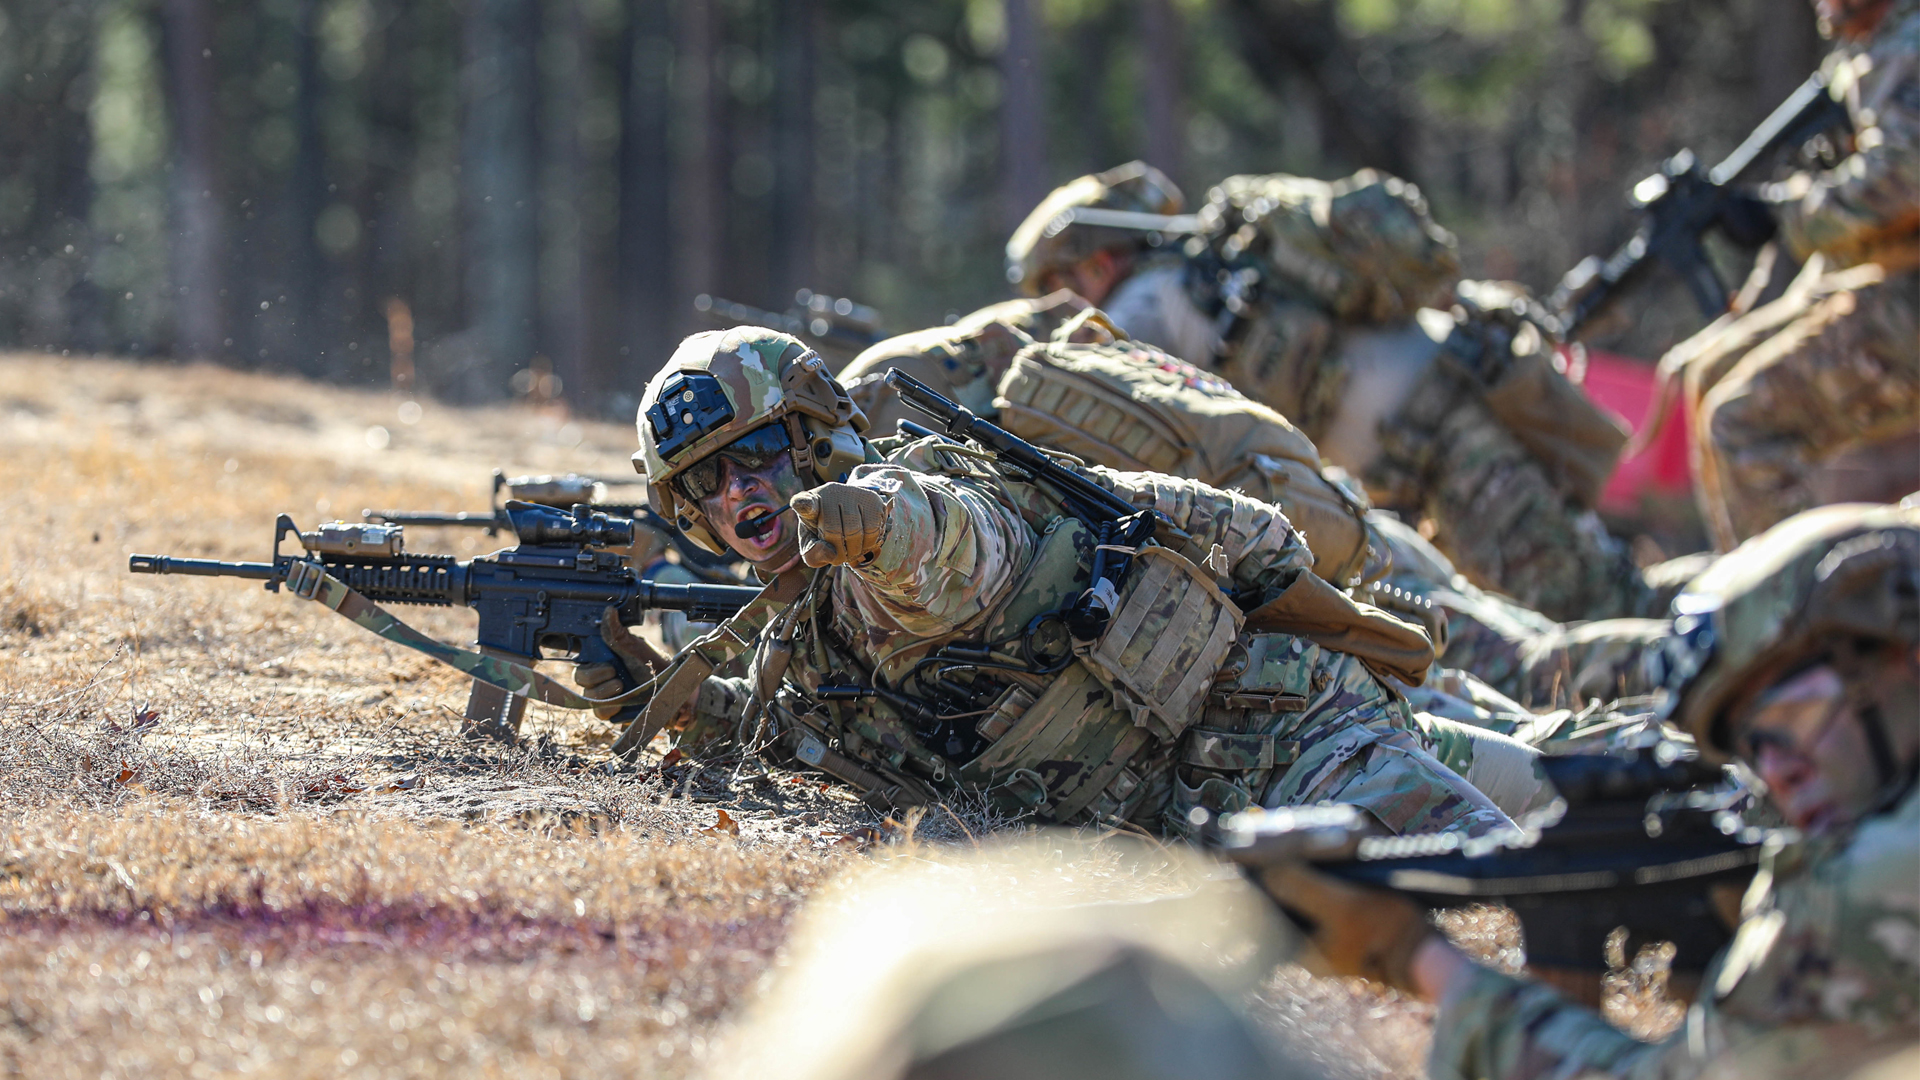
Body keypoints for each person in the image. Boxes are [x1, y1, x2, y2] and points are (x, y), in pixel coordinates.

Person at [582, 324, 1526, 836]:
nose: (741, 492)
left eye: (755, 455)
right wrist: (653, 693)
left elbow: (952, 551)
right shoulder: (813, 619)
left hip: (1297, 739)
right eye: (708, 481)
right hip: (1203, 806)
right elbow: (788, 728)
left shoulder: (907, 514)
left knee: (1529, 860)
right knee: (1558, 774)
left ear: (815, 436)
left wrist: (873, 525)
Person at [1257, 501, 1920, 1080]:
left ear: (1903, 656)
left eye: (1794, 714)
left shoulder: (1867, 883)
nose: (1779, 772)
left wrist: (1418, 956)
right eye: (1753, 746)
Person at [1005, 162, 1663, 625]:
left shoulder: (1144, 306)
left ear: (1094, 263)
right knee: (1550, 618)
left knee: (1591, 613)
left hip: (1444, 445)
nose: (1061, 305)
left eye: (1059, 283)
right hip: (1438, 437)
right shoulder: (1206, 275)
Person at [1684, 0, 1919, 548]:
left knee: (1740, 424)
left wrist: (1785, 213)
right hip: (1889, 286)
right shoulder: (1869, 51)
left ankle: (1801, 615)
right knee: (1711, 375)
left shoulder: (1908, 44)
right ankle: (1754, 600)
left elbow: (1902, 180)